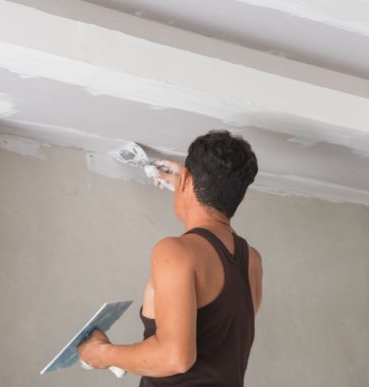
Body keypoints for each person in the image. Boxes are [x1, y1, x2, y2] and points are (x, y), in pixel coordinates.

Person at [78, 130, 263, 387]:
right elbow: (214, 334)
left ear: (185, 179)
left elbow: (174, 358)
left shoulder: (176, 251)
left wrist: (100, 354)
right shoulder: (251, 261)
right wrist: (194, 184)